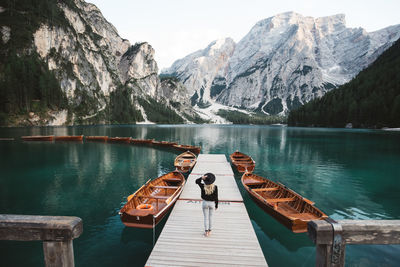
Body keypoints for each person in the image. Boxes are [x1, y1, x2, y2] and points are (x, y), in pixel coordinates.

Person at [195, 173, 218, 237]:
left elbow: (196, 181)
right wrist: (216, 205)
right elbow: (216, 197)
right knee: (211, 217)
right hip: (212, 204)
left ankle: (206, 232)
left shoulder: (202, 186)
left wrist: (201, 178)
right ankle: (210, 231)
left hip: (205, 203)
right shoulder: (215, 187)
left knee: (206, 218)